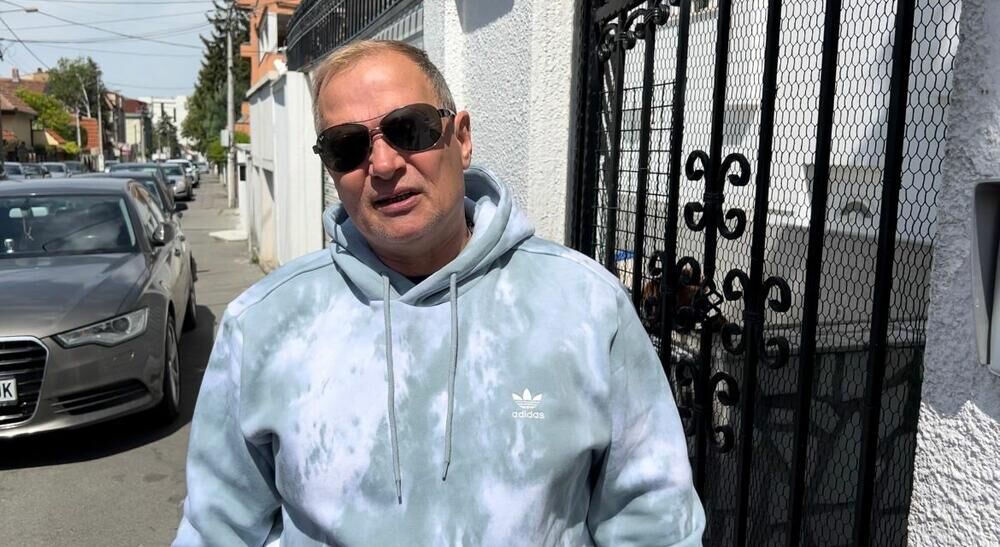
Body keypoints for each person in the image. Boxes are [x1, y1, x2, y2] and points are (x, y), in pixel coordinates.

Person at [174, 40, 704, 546]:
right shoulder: (262, 325)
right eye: (347, 145)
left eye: (409, 128)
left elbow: (654, 521)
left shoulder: (585, 307)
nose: (384, 165)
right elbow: (216, 530)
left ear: (462, 138)